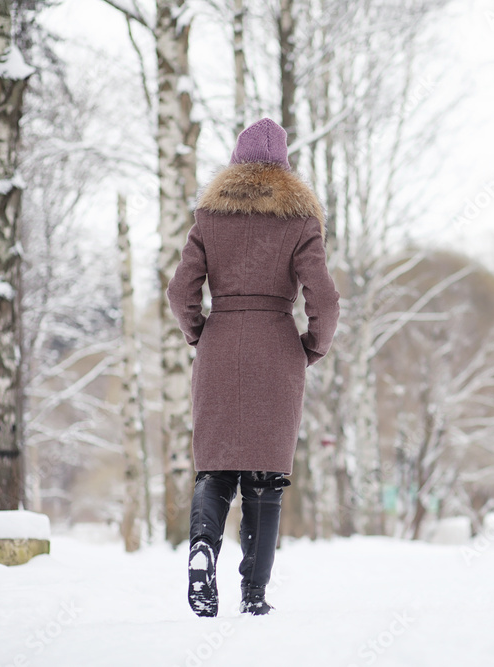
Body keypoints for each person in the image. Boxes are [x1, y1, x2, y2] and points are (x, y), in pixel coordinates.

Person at [167, 118, 339, 617]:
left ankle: (202, 547)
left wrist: (199, 331)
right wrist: (312, 346)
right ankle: (254, 594)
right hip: (277, 351)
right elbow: (323, 297)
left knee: (214, 469)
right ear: (284, 164)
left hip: (219, 346)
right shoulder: (300, 221)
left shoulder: (209, 218)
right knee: (265, 477)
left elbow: (180, 291)